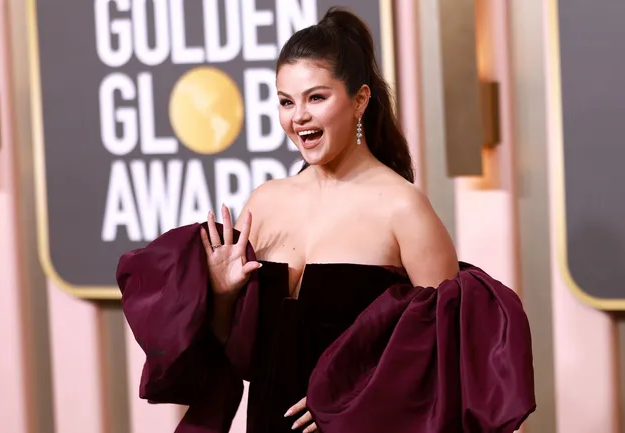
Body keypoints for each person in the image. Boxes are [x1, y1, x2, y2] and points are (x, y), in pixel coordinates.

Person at [117, 7, 535, 433]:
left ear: (360, 100)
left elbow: (442, 368)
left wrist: (348, 405)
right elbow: (242, 360)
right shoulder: (265, 202)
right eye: (285, 101)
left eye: (316, 97)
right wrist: (224, 297)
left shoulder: (404, 208)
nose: (298, 117)